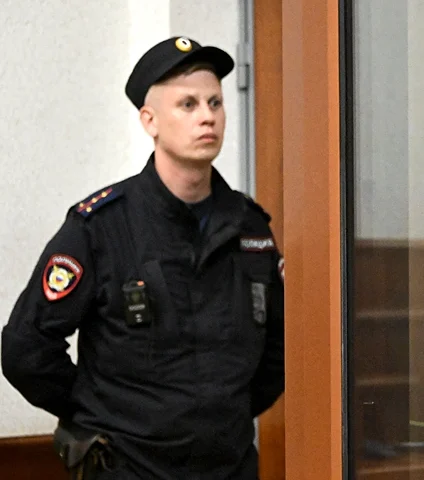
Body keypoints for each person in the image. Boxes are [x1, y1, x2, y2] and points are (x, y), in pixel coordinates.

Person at [1, 36, 284, 480]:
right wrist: (99, 411)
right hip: (127, 467)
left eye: (215, 102)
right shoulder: (100, 226)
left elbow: (276, 352)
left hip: (228, 467)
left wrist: (220, 415)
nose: (207, 116)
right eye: (187, 105)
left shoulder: (250, 228)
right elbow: (26, 349)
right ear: (149, 120)